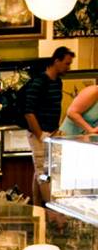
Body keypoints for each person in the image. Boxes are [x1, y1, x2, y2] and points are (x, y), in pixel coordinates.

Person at [24, 46, 74, 206]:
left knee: (40, 171)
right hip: (39, 133)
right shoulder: (39, 82)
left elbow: (54, 107)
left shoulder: (57, 82)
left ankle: (38, 207)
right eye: (66, 63)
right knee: (43, 172)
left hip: (51, 132)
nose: (68, 67)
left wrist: (55, 129)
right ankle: (52, 209)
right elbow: (28, 111)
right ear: (56, 61)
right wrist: (40, 134)